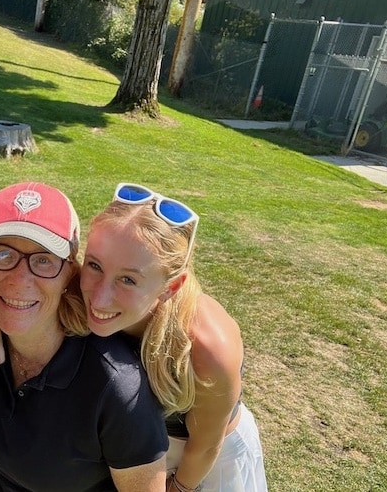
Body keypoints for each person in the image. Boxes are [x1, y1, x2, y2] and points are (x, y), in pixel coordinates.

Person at [0, 182, 168, 492]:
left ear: (69, 274)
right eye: (3, 253)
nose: (20, 279)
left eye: (44, 260)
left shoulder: (115, 387)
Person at [80, 182, 268, 492]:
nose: (98, 300)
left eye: (128, 279)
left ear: (171, 287)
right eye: (94, 265)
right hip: (137, 451)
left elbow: (207, 446)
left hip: (204, 462)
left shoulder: (207, 347)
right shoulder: (79, 290)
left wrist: (179, 487)